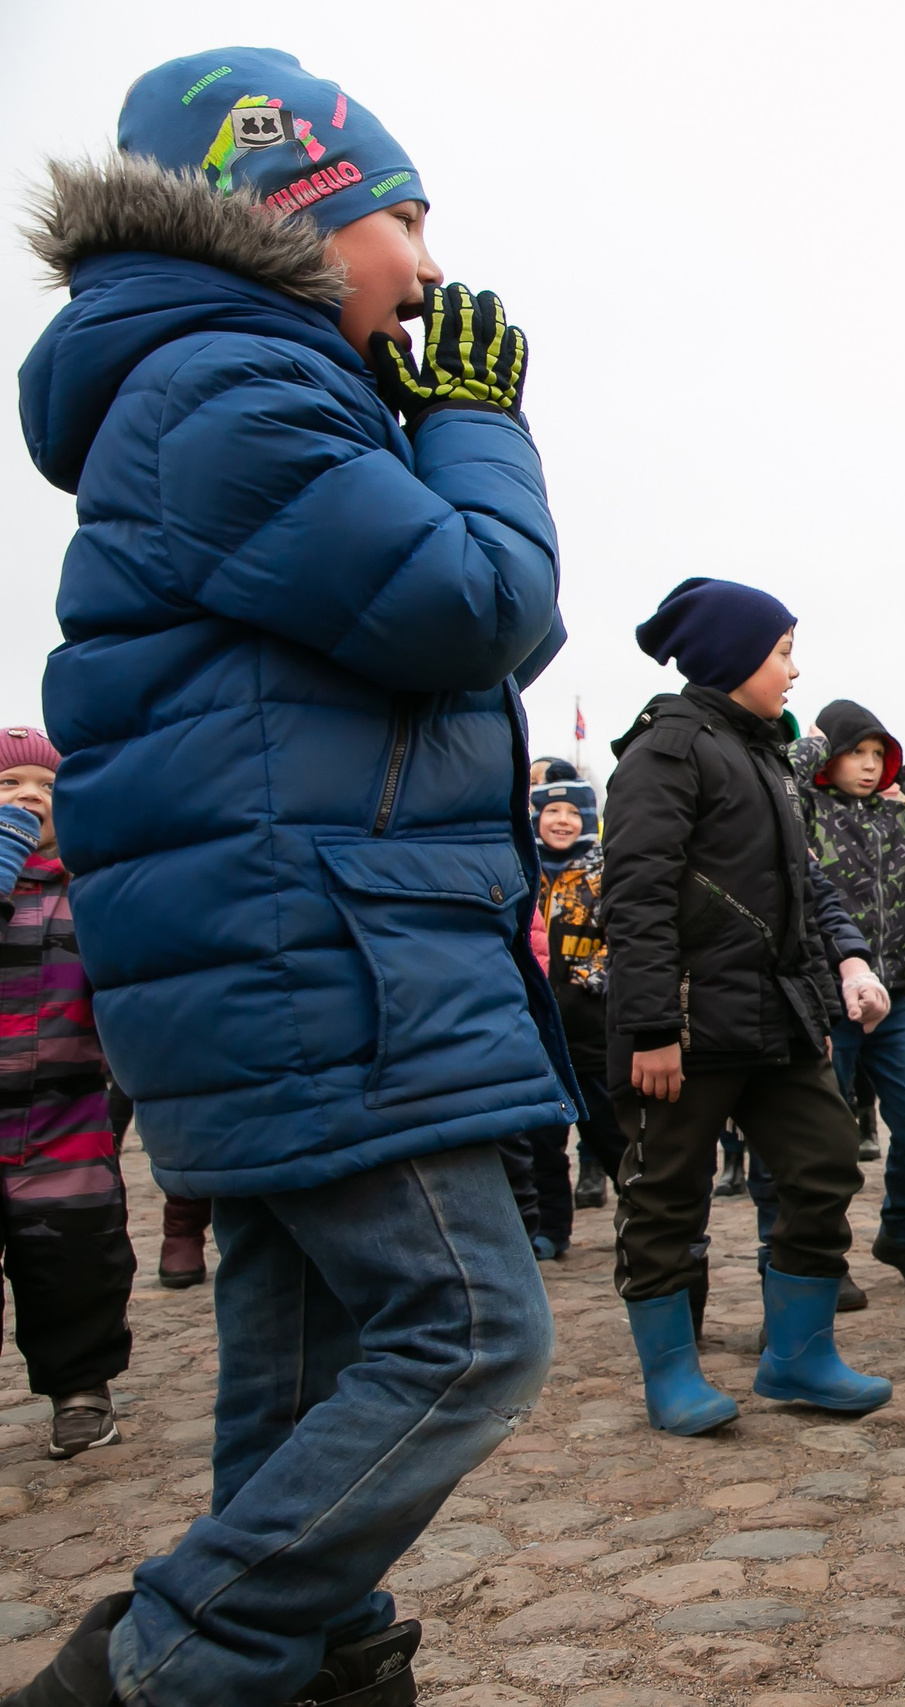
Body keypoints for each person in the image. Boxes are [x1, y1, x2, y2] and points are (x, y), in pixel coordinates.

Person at [17, 48, 576, 1707]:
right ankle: (168, 1665)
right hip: (316, 963)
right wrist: (475, 424)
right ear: (300, 215)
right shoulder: (230, 395)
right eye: (409, 217)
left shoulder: (237, 392)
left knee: (297, 1363)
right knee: (473, 1328)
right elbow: (474, 608)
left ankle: (315, 1660)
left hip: (287, 960)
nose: (431, 269)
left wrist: (412, 432)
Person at [605, 578, 894, 1437]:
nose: (794, 670)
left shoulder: (763, 752)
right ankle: (671, 1377)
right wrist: (653, 1028)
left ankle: (797, 1356)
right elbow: (638, 893)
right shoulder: (667, 749)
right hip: (685, 1029)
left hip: (777, 1018)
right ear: (734, 657)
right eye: (781, 652)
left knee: (825, 1163)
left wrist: (843, 962)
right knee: (666, 1195)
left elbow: (802, 884)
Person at [0, 729, 137, 1460]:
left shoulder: (88, 887)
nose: (28, 796)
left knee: (77, 1261)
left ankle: (81, 1387)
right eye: (9, 784)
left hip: (65, 1115)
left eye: (46, 786)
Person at [793, 699, 905, 1293]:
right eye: (855, 751)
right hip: (829, 997)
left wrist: (902, 769)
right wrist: (815, 744)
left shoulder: (896, 820)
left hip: (896, 995)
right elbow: (781, 774)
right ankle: (824, 1255)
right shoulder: (805, 809)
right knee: (825, 1137)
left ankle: (901, 1235)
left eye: (877, 754)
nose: (867, 764)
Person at [531, 777, 619, 1225]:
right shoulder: (522, 869)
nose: (562, 821)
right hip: (534, 1028)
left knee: (609, 1130)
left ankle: (641, 1215)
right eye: (552, 812)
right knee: (543, 1140)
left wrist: (592, 974)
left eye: (572, 812)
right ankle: (551, 1227)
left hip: (589, 1024)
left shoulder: (604, 871)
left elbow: (623, 934)